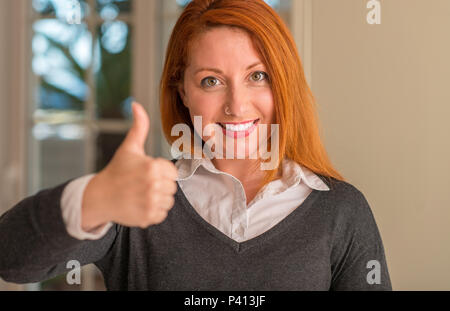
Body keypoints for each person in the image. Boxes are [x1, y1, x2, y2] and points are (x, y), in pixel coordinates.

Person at [0, 0, 392, 290]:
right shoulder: (136, 202)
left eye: (257, 76)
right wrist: (95, 197)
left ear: (283, 84)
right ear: (182, 92)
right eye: (211, 80)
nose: (237, 106)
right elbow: (10, 258)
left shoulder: (341, 211)